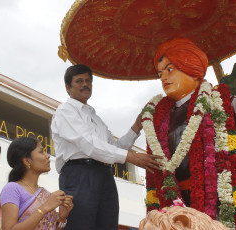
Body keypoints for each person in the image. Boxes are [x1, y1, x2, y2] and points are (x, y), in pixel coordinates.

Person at [141, 38, 236, 229]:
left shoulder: (228, 103)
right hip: (178, 213)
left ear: (193, 69)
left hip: (231, 203)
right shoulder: (158, 121)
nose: (163, 78)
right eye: (160, 73)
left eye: (170, 69)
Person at [51, 64, 162, 230]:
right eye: (79, 81)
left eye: (88, 80)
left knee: (108, 225)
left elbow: (115, 146)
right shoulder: (65, 111)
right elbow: (88, 144)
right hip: (80, 174)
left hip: (104, 174)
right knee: (80, 225)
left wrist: (136, 126)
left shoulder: (96, 118)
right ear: (68, 87)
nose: (85, 85)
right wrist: (131, 157)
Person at [0, 137, 73, 230]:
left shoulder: (46, 194)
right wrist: (45, 207)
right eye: (41, 152)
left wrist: (62, 219)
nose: (48, 156)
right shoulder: (12, 189)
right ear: (27, 161)